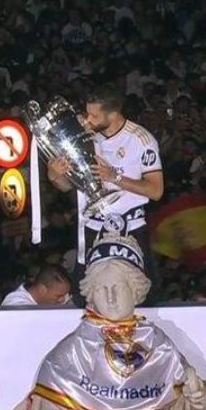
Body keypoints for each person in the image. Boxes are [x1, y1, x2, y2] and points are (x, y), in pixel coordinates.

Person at [0, 233, 206, 410]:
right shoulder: (72, 352)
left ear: (136, 291)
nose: (111, 298)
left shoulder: (159, 346)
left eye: (118, 287)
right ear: (91, 295)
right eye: (102, 289)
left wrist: (199, 401)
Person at [47, 86, 164, 301]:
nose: (87, 120)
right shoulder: (85, 136)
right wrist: (55, 175)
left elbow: (156, 191)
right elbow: (67, 187)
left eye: (94, 116)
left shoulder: (140, 140)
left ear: (113, 114)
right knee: (86, 296)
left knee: (142, 295)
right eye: (87, 113)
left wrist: (114, 177)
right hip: (93, 226)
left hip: (130, 227)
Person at [2, 265, 71, 306]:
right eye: (59, 296)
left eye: (64, 295)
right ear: (42, 289)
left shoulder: (58, 293)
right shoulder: (15, 304)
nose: (63, 299)